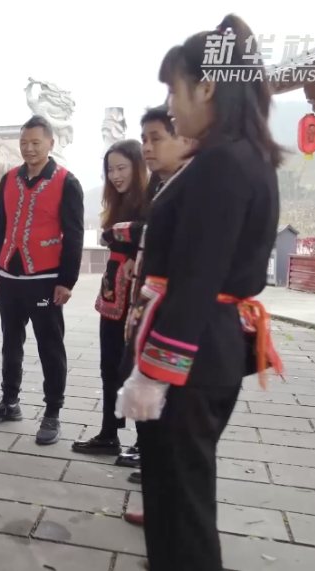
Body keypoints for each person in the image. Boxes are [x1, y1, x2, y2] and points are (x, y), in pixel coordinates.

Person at [114, 15, 284, 571]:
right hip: (205, 346)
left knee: (182, 503)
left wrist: (154, 373)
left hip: (192, 353)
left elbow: (197, 278)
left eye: (174, 90)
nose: (171, 105)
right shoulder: (238, 155)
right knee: (171, 494)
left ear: (207, 87)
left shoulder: (222, 163)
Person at [0, 115, 85, 446]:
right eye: (24, 142)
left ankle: (52, 412)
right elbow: (0, 225)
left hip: (45, 278)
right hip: (9, 276)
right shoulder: (9, 179)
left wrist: (67, 281)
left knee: (50, 346)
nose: (29, 148)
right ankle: (9, 402)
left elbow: (75, 235)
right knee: (11, 342)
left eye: (36, 143)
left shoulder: (67, 182)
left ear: (50, 143)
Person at [122, 105, 194, 493]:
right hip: (147, 307)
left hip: (173, 318)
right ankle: (155, 482)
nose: (147, 148)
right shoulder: (161, 187)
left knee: (170, 411)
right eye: (144, 139)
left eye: (156, 138)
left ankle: (166, 496)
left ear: (183, 140)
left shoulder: (192, 188)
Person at [71, 140, 149, 458]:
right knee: (110, 366)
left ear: (138, 167)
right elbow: (119, 234)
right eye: (110, 170)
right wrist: (120, 234)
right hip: (113, 294)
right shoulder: (117, 202)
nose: (115, 175)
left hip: (139, 298)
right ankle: (109, 433)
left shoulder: (152, 199)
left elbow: (148, 231)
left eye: (121, 168)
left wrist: (116, 233)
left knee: (138, 368)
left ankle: (145, 441)